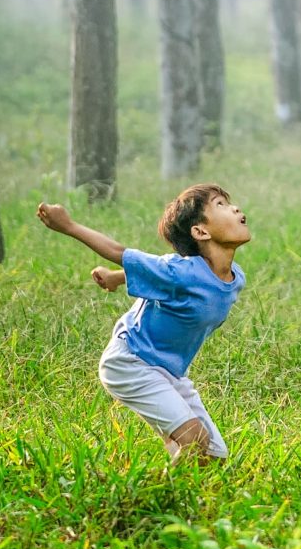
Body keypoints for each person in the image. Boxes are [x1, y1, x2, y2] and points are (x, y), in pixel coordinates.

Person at [37, 185, 250, 460]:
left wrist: (116, 277)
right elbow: (120, 251)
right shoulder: (180, 271)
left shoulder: (235, 278)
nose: (234, 208)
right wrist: (68, 226)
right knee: (194, 442)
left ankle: (179, 477)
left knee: (213, 455)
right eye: (220, 204)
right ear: (200, 232)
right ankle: (150, 496)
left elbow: (160, 277)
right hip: (131, 362)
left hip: (169, 372)